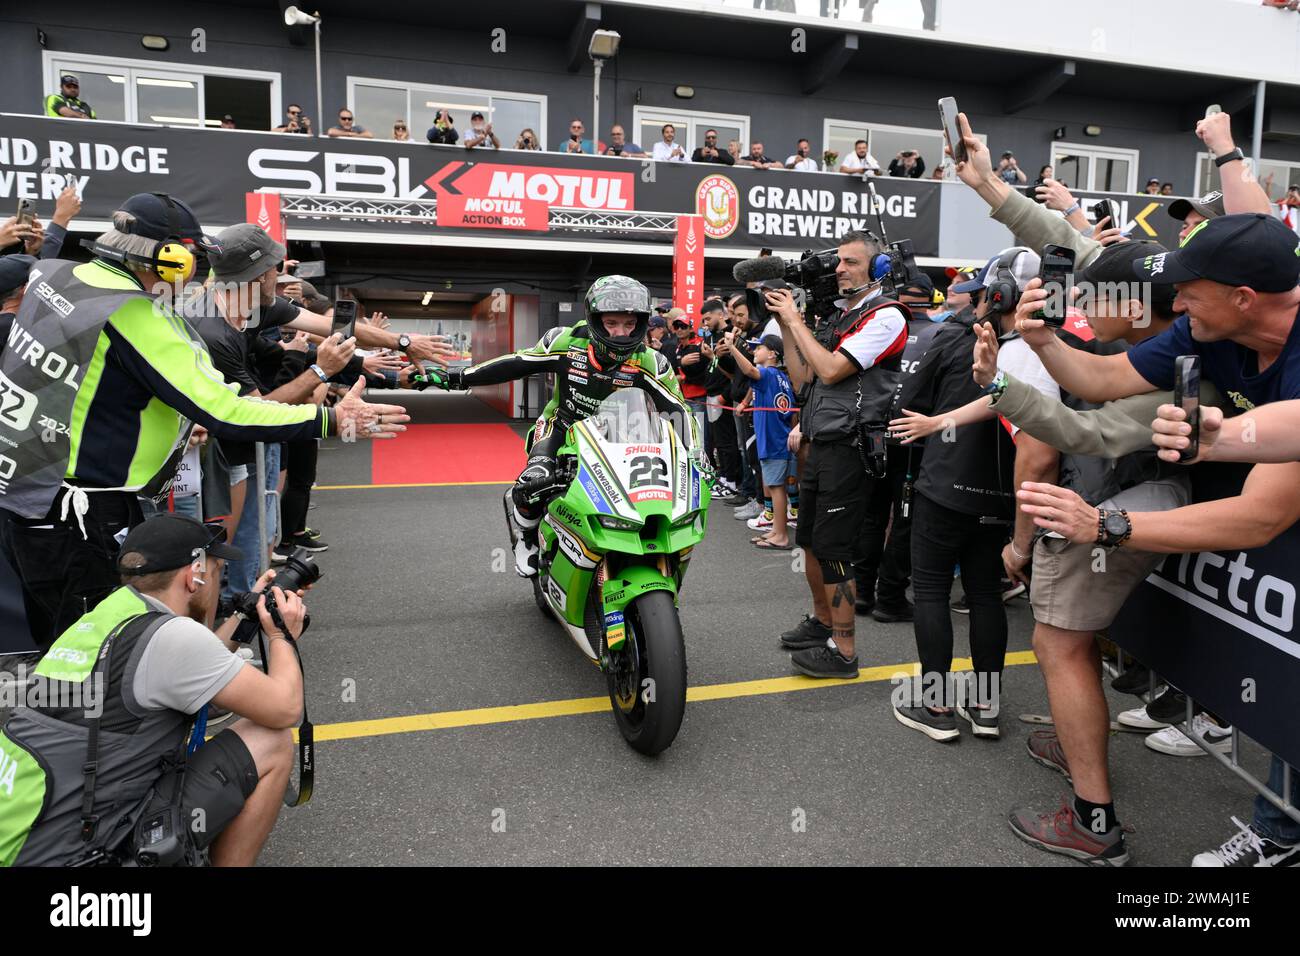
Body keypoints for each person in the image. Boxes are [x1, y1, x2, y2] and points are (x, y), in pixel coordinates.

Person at [0, 192, 410, 649]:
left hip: (25, 493)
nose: (200, 274)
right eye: (195, 259)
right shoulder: (134, 315)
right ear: (172, 259)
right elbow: (226, 411)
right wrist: (331, 419)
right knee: (95, 648)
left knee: (52, 638)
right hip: (83, 513)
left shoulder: (53, 274)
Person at [0, 513, 308, 866]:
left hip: (28, 837)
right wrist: (281, 634)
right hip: (75, 856)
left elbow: (196, 663)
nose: (217, 582)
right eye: (217, 572)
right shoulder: (174, 638)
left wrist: (244, 613)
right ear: (193, 576)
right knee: (272, 740)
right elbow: (285, 708)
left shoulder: (107, 616)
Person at [420, 277, 699, 576]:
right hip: (562, 426)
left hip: (623, 438)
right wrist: (458, 377)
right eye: (612, 322)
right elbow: (517, 362)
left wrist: (696, 457)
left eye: (629, 323)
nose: (621, 333)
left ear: (641, 323)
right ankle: (526, 538)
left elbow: (678, 411)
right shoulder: (566, 341)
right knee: (532, 482)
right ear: (594, 319)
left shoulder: (652, 363)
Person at [773, 231, 908, 679]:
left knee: (834, 549)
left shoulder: (887, 316)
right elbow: (801, 378)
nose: (839, 269)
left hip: (851, 449)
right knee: (809, 540)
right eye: (839, 261)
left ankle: (844, 650)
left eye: (850, 261)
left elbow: (831, 370)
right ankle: (822, 622)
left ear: (879, 268)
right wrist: (790, 325)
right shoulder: (839, 317)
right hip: (820, 442)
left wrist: (796, 319)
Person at [726, 333, 796, 550]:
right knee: (776, 486)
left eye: (759, 348)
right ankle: (776, 529)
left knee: (776, 488)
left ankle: (782, 535)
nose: (755, 351)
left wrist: (732, 348)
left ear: (772, 354)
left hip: (773, 441)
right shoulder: (781, 376)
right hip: (779, 438)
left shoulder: (765, 373)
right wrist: (746, 402)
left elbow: (749, 370)